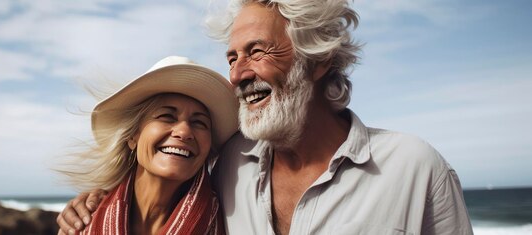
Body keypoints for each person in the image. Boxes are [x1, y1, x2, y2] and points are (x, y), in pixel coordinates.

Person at [58, 1, 473, 234]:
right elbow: (162, 181)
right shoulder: (228, 164)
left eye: (257, 51)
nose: (237, 74)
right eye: (232, 58)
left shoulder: (414, 167)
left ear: (319, 60)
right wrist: (91, 203)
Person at [57, 56, 238, 235]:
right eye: (166, 116)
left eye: (200, 123)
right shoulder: (84, 223)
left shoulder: (232, 220)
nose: (184, 131)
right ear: (133, 136)